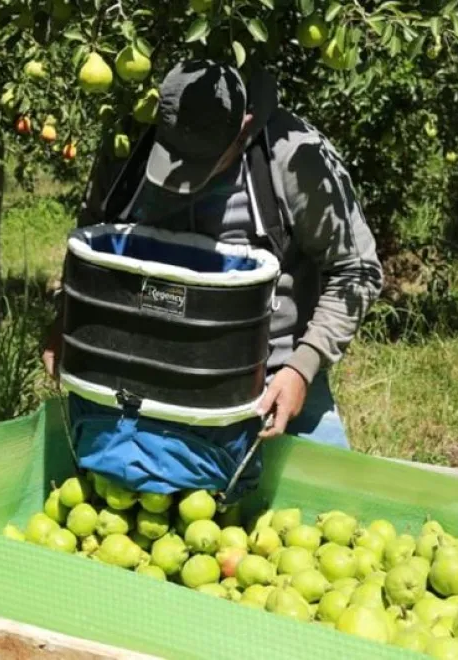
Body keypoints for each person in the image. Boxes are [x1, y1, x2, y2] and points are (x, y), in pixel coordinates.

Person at [43, 59, 383, 450]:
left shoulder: (296, 159)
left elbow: (357, 271)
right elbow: (89, 244)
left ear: (243, 128)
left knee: (324, 500)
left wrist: (302, 367)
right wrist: (66, 316)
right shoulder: (128, 146)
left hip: (268, 387)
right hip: (133, 380)